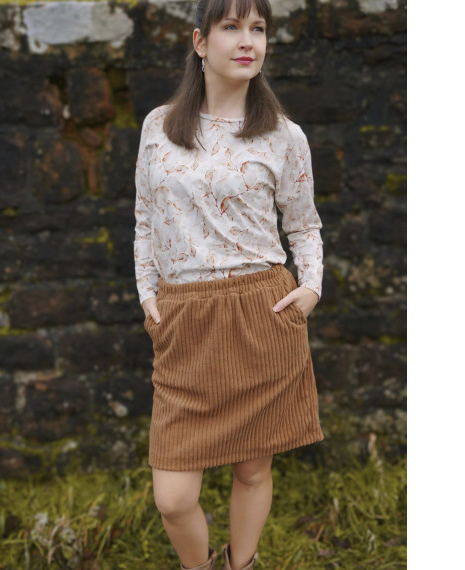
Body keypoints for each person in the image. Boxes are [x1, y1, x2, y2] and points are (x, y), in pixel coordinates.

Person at [133, 0, 324, 568]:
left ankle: (243, 564)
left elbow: (304, 225)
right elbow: (145, 219)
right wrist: (148, 294)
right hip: (184, 318)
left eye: (258, 29)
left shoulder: (283, 136)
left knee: (253, 468)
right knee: (173, 498)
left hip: (260, 312)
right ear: (200, 42)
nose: (248, 41)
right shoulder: (158, 126)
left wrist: (311, 288)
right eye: (232, 27)